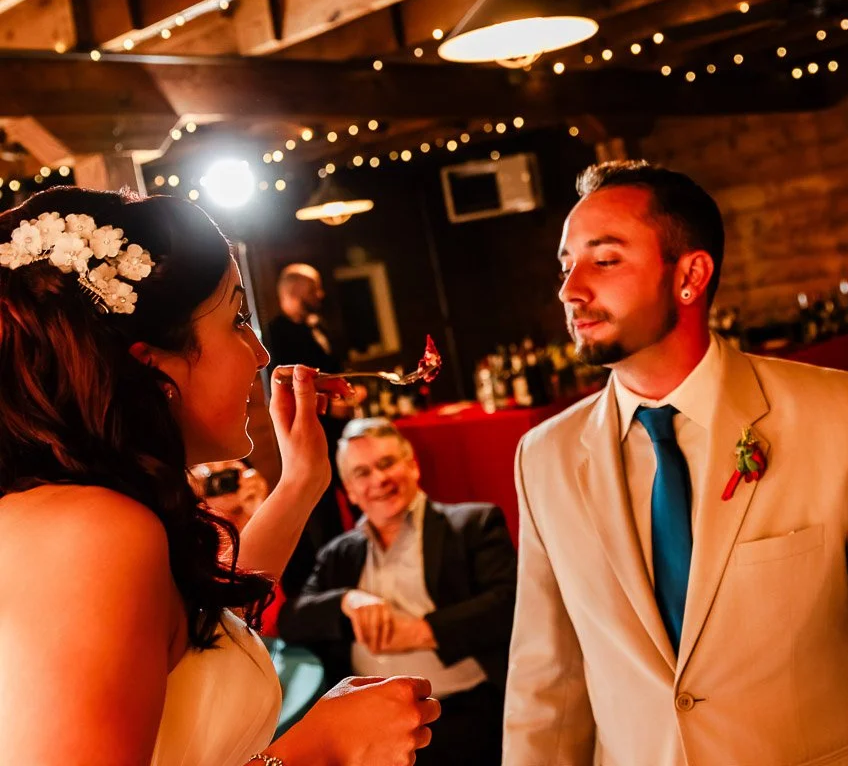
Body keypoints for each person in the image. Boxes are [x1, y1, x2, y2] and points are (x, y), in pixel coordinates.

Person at [502, 161, 848, 765]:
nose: (571, 289)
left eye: (605, 259)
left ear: (691, 274)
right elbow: (548, 673)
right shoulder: (545, 457)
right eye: (567, 265)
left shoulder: (841, 413)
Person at [0, 186, 438, 765]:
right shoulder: (94, 532)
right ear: (153, 366)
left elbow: (202, 638)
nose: (260, 353)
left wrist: (302, 479)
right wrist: (319, 748)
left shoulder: (84, 514)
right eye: (236, 318)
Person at [278, 418, 516, 766]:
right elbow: (292, 618)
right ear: (350, 490)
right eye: (362, 473)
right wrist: (347, 600)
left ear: (412, 465)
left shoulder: (472, 524)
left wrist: (422, 632)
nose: (379, 480)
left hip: (462, 712)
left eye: (387, 463)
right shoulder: (338, 554)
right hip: (368, 727)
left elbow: (509, 604)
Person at [266, 262, 358, 601]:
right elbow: (284, 386)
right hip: (309, 433)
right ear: (292, 291)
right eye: (313, 288)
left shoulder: (319, 327)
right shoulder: (275, 333)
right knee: (321, 512)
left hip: (338, 432)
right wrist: (329, 405)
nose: (320, 295)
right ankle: (330, 588)